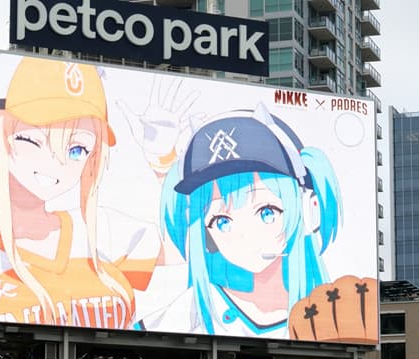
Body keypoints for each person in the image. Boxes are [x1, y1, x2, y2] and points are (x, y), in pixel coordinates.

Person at [0, 51, 176, 328]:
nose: (57, 162)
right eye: (31, 140)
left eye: (77, 149)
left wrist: (164, 161)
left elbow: (193, 265)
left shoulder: (104, 229)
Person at [140, 105, 342, 339]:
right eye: (221, 221)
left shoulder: (334, 319)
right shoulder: (178, 317)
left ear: (310, 210)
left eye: (267, 212)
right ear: (206, 235)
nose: (246, 236)